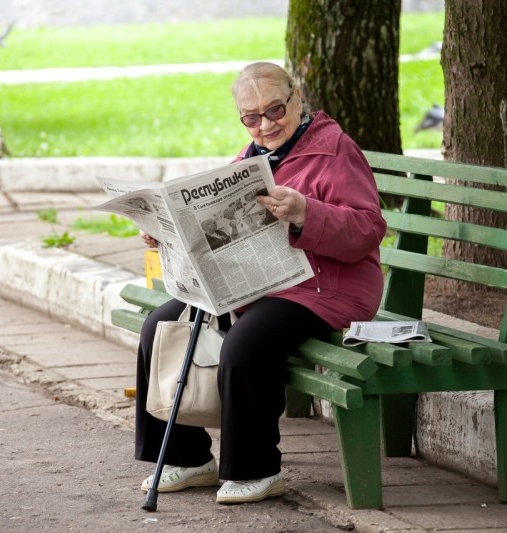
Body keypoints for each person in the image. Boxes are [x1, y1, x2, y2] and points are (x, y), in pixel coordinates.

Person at [135, 62, 387, 505]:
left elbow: (368, 229)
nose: (265, 124)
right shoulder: (251, 158)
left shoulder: (335, 149)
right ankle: (187, 457)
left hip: (325, 286)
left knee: (246, 343)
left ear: (298, 98)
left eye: (275, 110)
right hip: (261, 284)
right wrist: (165, 232)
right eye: (251, 117)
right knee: (160, 326)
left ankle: (256, 469)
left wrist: (306, 212)